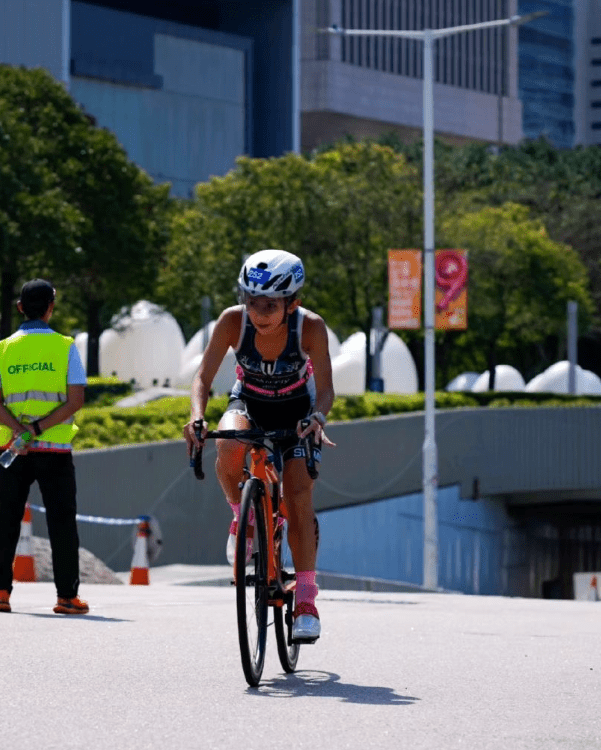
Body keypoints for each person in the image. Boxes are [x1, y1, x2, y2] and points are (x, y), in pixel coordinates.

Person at [184, 250, 335, 641]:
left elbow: (327, 392)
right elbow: (202, 377)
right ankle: (243, 517)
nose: (260, 313)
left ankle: (305, 600)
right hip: (249, 402)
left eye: (270, 305)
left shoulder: (311, 328)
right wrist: (197, 417)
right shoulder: (233, 322)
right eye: (252, 302)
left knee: (299, 495)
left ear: (293, 304)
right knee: (229, 443)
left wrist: (317, 418)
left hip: (296, 412)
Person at [0, 279, 89, 615]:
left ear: (21, 307)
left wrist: (19, 429)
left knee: (4, 520)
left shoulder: (3, 349)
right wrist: (37, 429)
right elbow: (75, 399)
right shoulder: (65, 347)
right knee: (62, 523)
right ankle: (67, 597)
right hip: (53, 451)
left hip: (11, 449)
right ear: (51, 307)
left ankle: (1, 593)